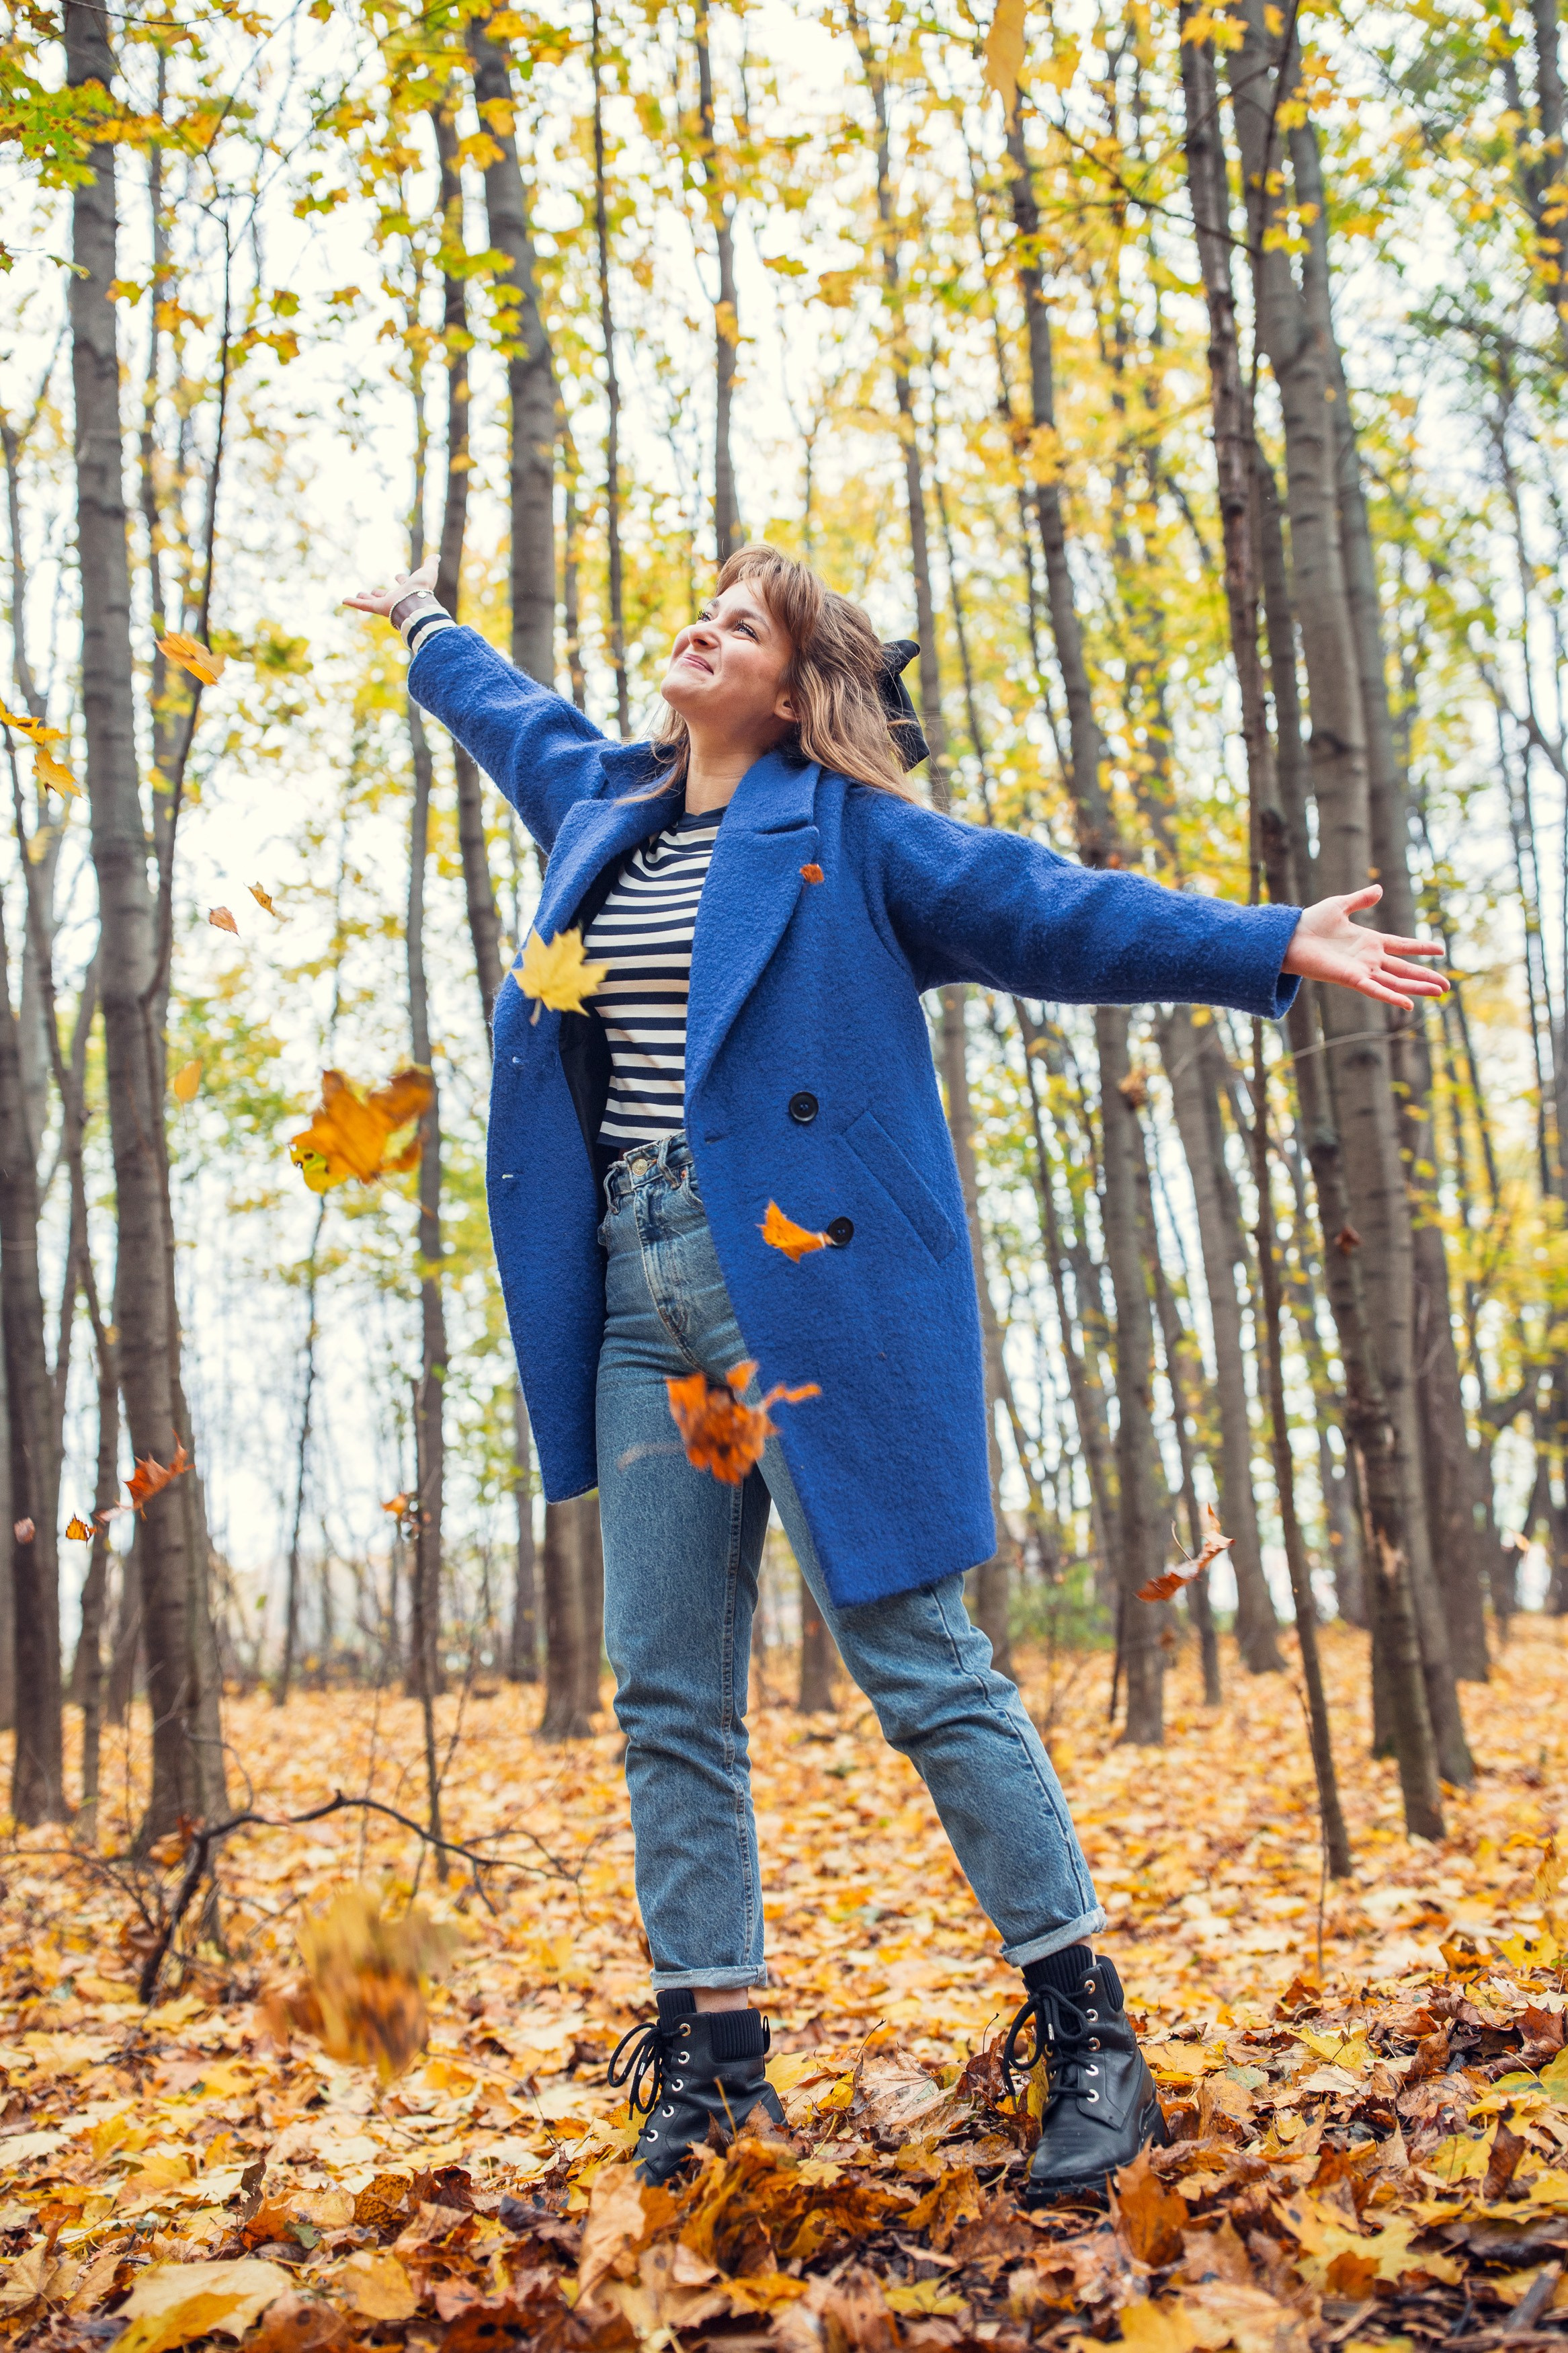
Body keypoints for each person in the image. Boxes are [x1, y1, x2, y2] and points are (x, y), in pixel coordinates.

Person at [345, 543, 1445, 2202]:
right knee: (666, 1693)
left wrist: (1266, 943)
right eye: (700, 607)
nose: (701, 627)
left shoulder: (850, 836)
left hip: (800, 1288)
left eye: (744, 623)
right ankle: (717, 2075)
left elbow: (1051, 910)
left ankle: (1091, 2041)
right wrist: (427, 626)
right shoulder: (605, 803)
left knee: (922, 1661)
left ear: (793, 692)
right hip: (637, 1298)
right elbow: (509, 714)